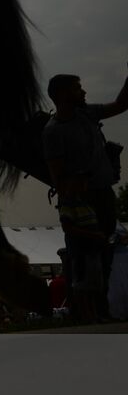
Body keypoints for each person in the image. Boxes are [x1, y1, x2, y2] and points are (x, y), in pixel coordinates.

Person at [44, 68, 128, 318]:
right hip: (81, 202)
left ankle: (99, 310)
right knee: (82, 258)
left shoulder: (87, 114)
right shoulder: (53, 131)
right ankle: (85, 313)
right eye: (77, 88)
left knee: (104, 257)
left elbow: (121, 104)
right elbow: (57, 176)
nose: (83, 92)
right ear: (62, 94)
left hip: (102, 195)